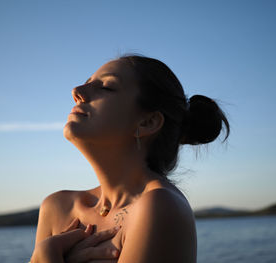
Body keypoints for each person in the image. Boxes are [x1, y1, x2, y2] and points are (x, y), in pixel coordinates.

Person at [30, 55, 229, 263]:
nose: (77, 92)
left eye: (106, 86)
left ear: (148, 122)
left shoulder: (159, 206)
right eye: (88, 82)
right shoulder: (57, 207)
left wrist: (45, 258)